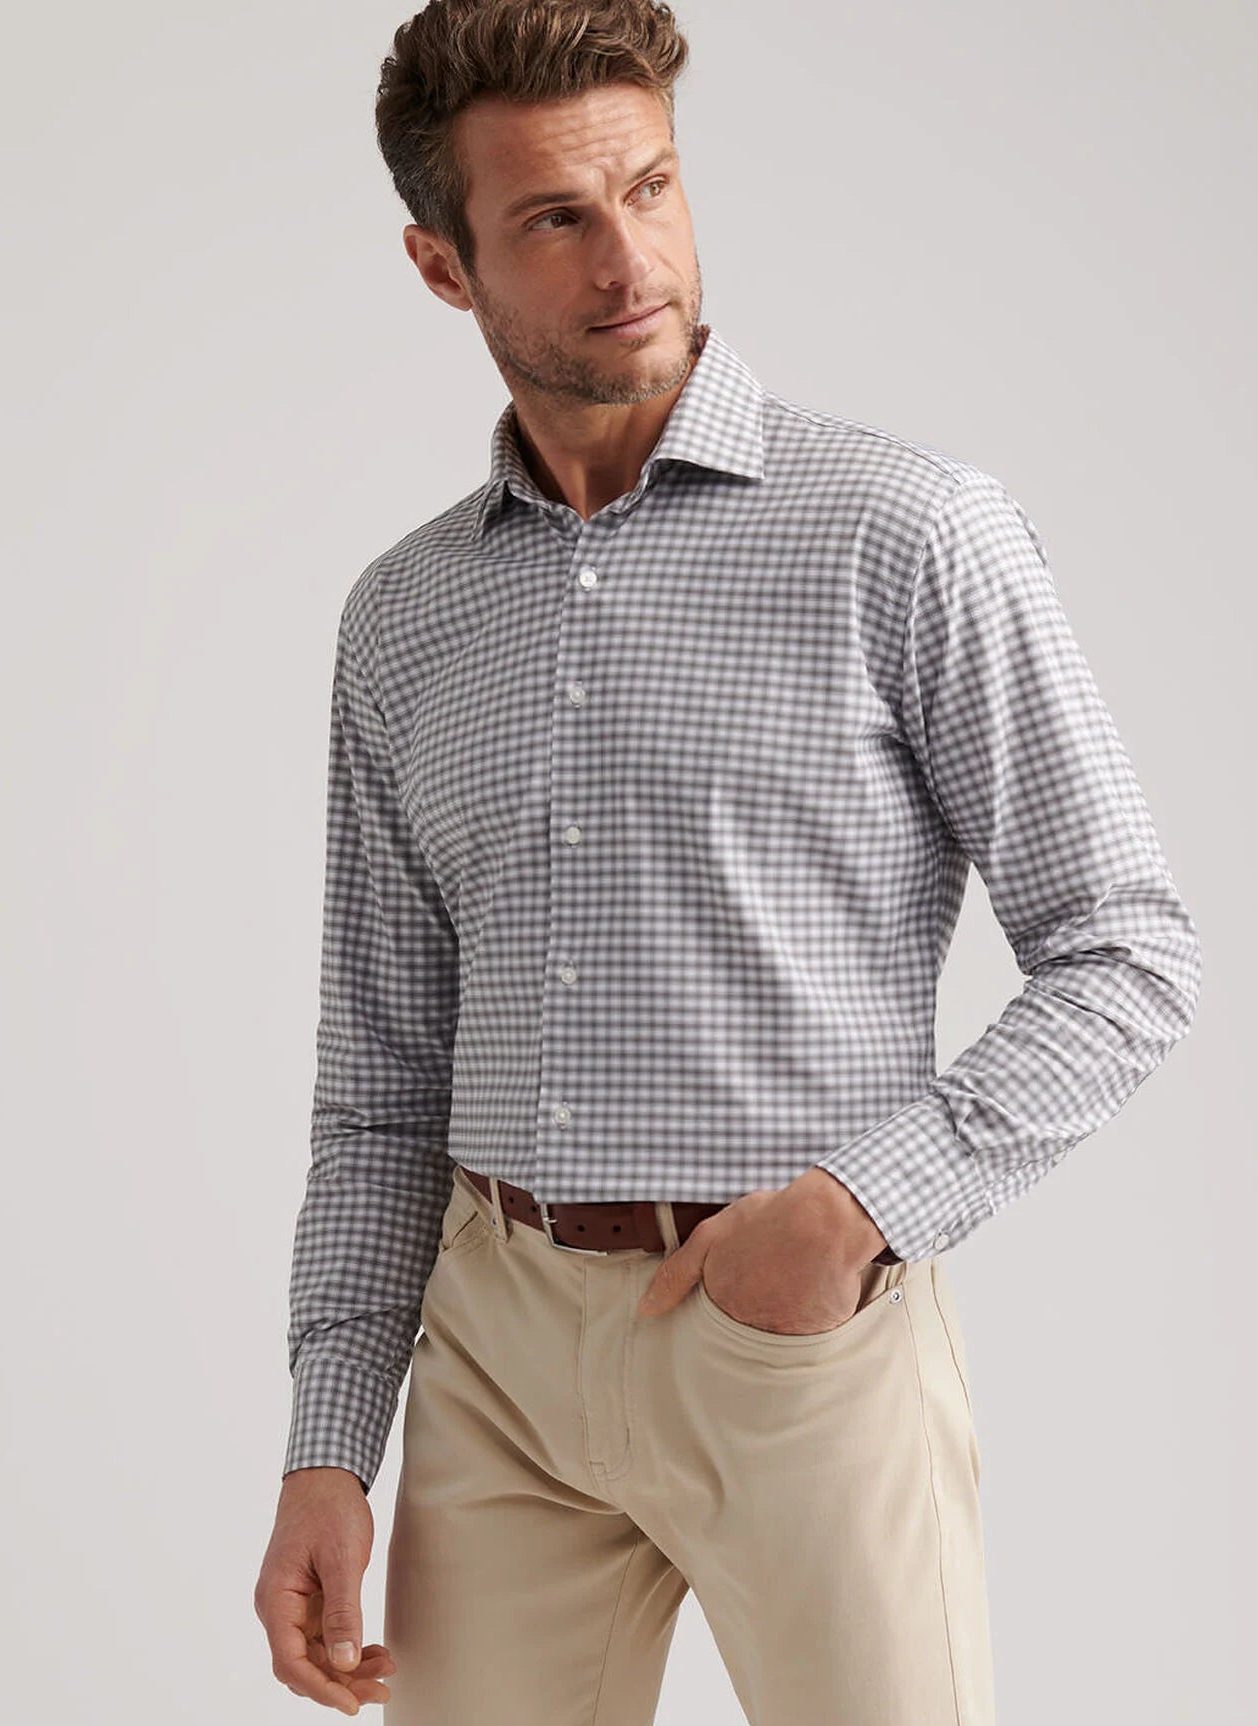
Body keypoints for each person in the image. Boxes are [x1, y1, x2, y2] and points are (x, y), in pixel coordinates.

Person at [253, 2, 1202, 1720]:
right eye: (556, 217)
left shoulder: (906, 532)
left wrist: (854, 1213)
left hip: (795, 1339)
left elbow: (1127, 950)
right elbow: (382, 1081)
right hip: (496, 1362)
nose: (630, 260)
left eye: (652, 186)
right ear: (443, 266)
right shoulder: (402, 617)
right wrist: (330, 1446)